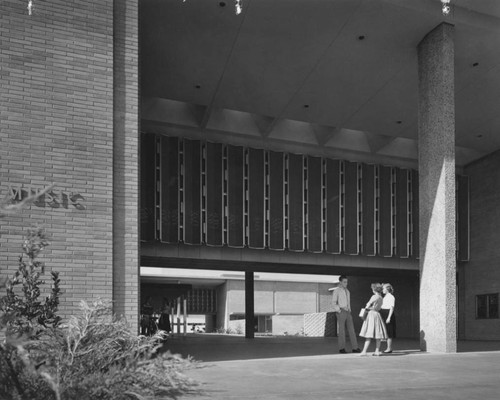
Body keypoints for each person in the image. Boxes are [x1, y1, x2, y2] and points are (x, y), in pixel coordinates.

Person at [332, 275, 361, 353]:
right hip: (341, 311)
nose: (346, 283)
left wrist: (349, 310)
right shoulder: (337, 291)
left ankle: (355, 348)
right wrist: (339, 310)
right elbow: (333, 302)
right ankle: (342, 348)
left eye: (347, 282)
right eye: (344, 282)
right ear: (340, 282)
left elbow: (348, 302)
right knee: (342, 331)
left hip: (348, 312)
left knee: (352, 330)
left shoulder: (348, 291)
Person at [359, 283, 388, 356]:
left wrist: (364, 311)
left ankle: (364, 351)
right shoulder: (381, 297)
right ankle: (377, 351)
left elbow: (368, 304)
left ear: (374, 289)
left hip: (371, 314)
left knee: (368, 334)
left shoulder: (374, 296)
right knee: (378, 334)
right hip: (377, 314)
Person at [381, 283, 396, 353]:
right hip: (384, 313)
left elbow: (391, 307)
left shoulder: (391, 297)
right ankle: (388, 347)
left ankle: (389, 348)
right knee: (386, 331)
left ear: (387, 289)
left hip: (388, 314)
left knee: (389, 331)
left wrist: (389, 317)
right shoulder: (385, 297)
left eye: (383, 288)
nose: (382, 290)